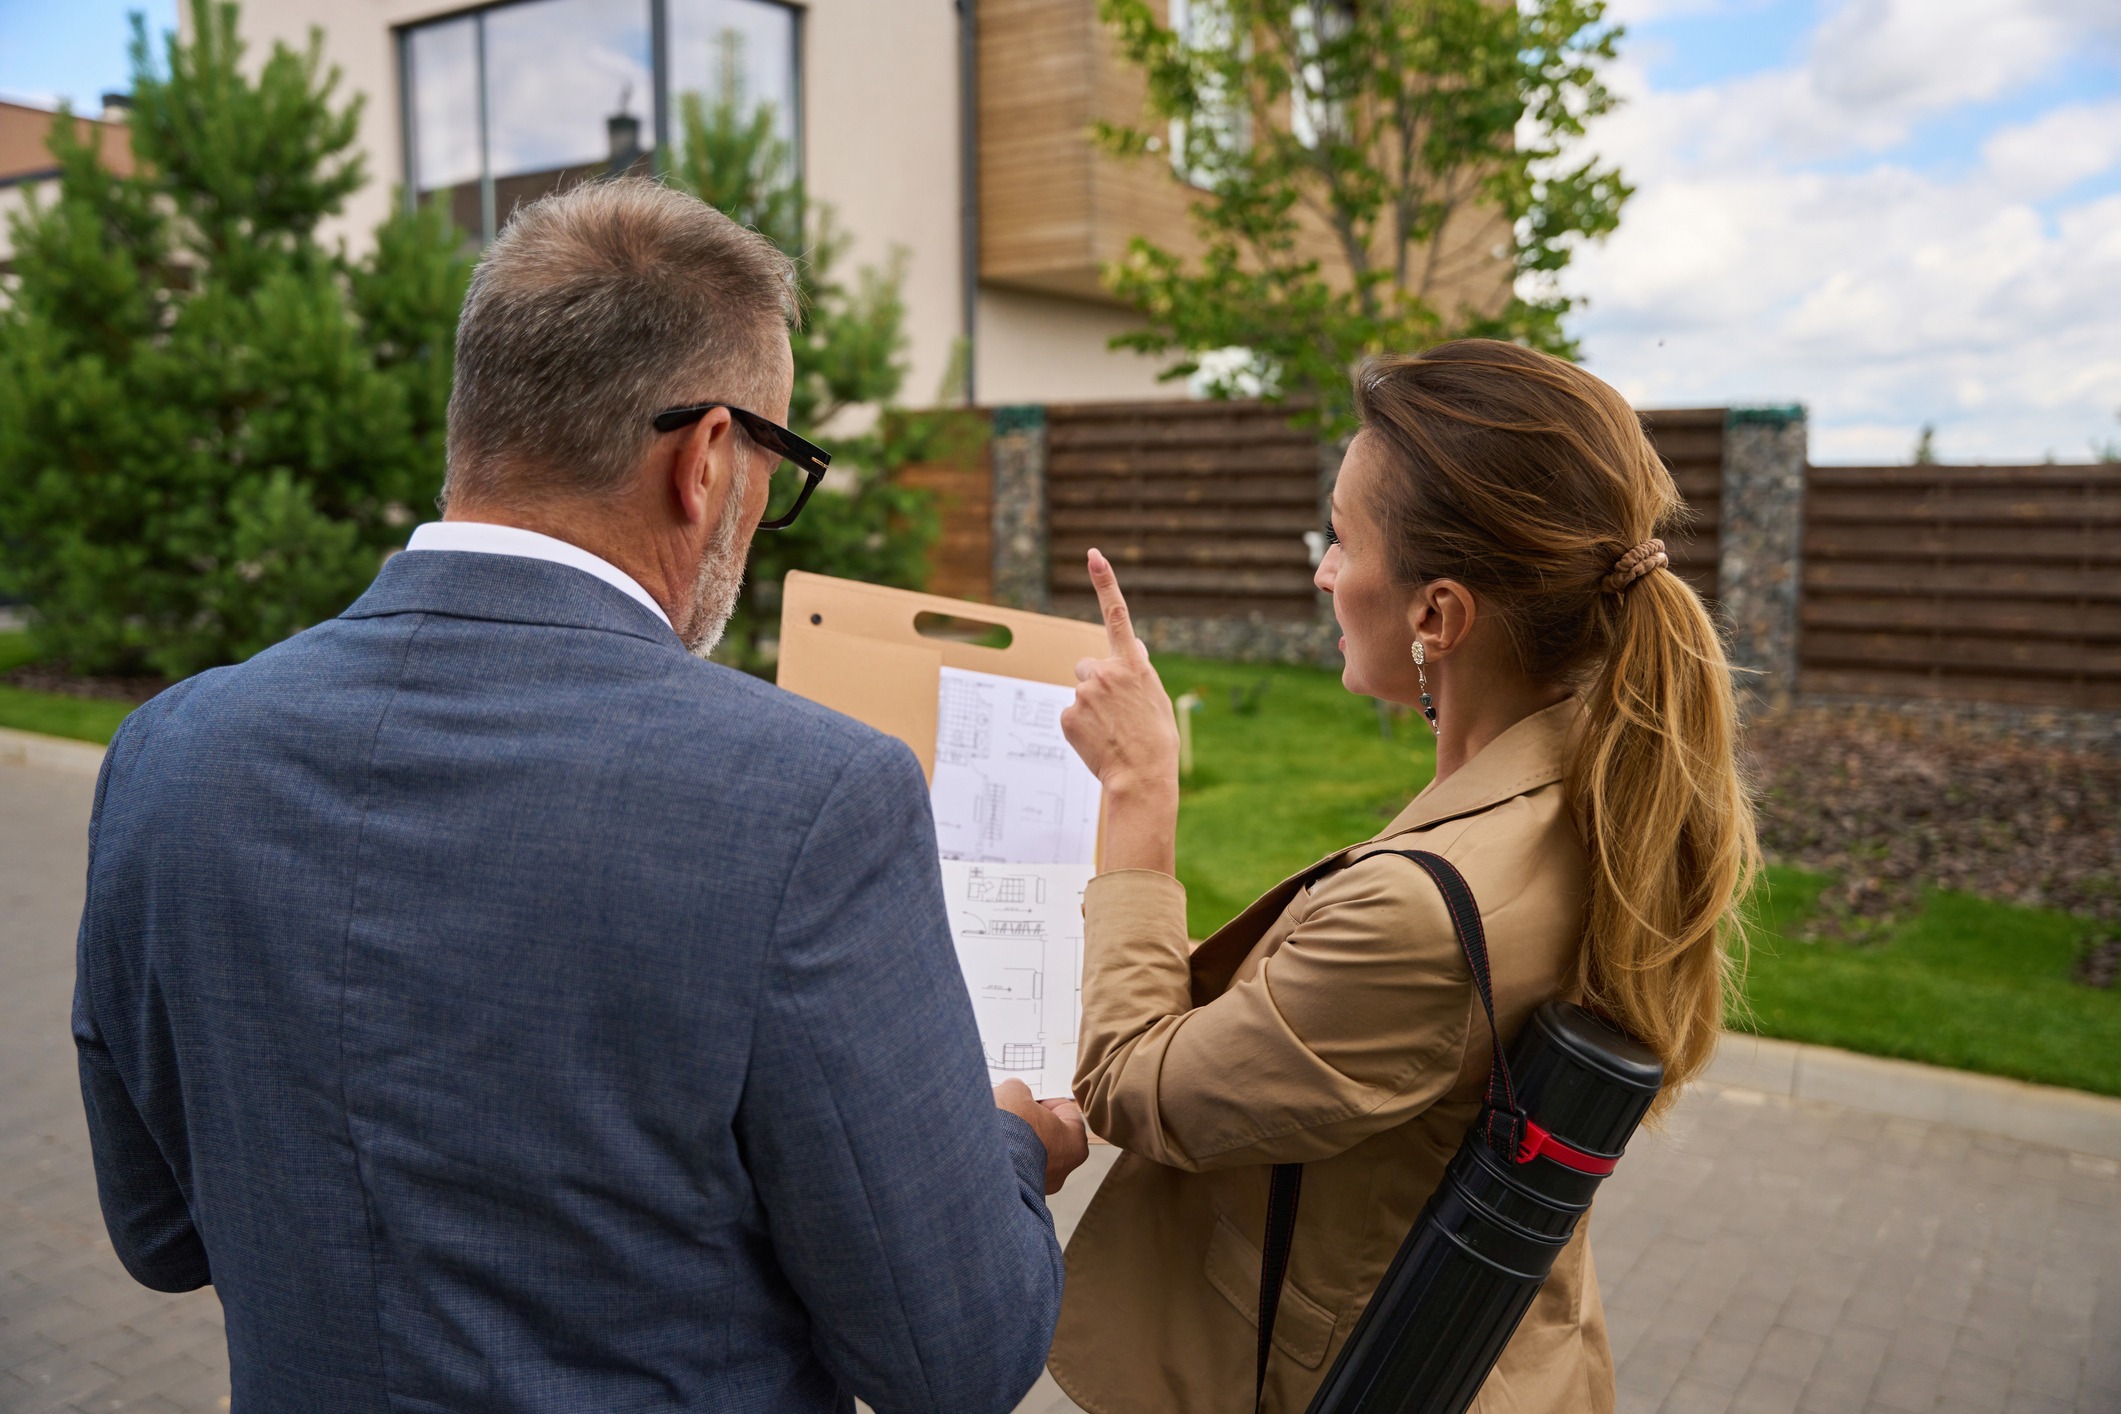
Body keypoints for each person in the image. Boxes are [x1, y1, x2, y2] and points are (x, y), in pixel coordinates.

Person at [71, 179, 1086, 1413]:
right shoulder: (813, 800)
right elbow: (955, 1355)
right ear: (709, 456)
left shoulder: (168, 752)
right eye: (779, 459)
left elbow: (160, 1234)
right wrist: (1007, 1147)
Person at [1049, 340, 1759, 1413]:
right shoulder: (1594, 783)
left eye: (1341, 539)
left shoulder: (1422, 911)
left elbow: (1135, 1085)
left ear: (1436, 614)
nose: (1324, 570)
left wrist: (1141, 792)